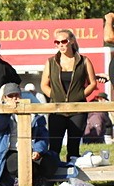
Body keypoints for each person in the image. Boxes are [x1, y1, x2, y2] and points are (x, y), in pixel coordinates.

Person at [0, 82, 57, 186]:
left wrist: (38, 150)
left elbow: (43, 136)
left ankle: (40, 184)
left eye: (16, 95)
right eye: (10, 96)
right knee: (19, 164)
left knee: (50, 163)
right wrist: (7, 110)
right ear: (4, 98)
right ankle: (29, 184)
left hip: (32, 151)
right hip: (8, 151)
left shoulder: (34, 115)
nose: (14, 99)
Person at [40, 28, 95, 162]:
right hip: (57, 109)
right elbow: (43, 85)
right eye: (57, 42)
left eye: (63, 41)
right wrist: (54, 96)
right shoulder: (51, 62)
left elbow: (92, 83)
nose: (60, 45)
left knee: (73, 146)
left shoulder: (84, 61)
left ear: (71, 41)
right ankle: (53, 177)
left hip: (78, 109)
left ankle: (73, 177)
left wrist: (80, 95)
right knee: (54, 146)